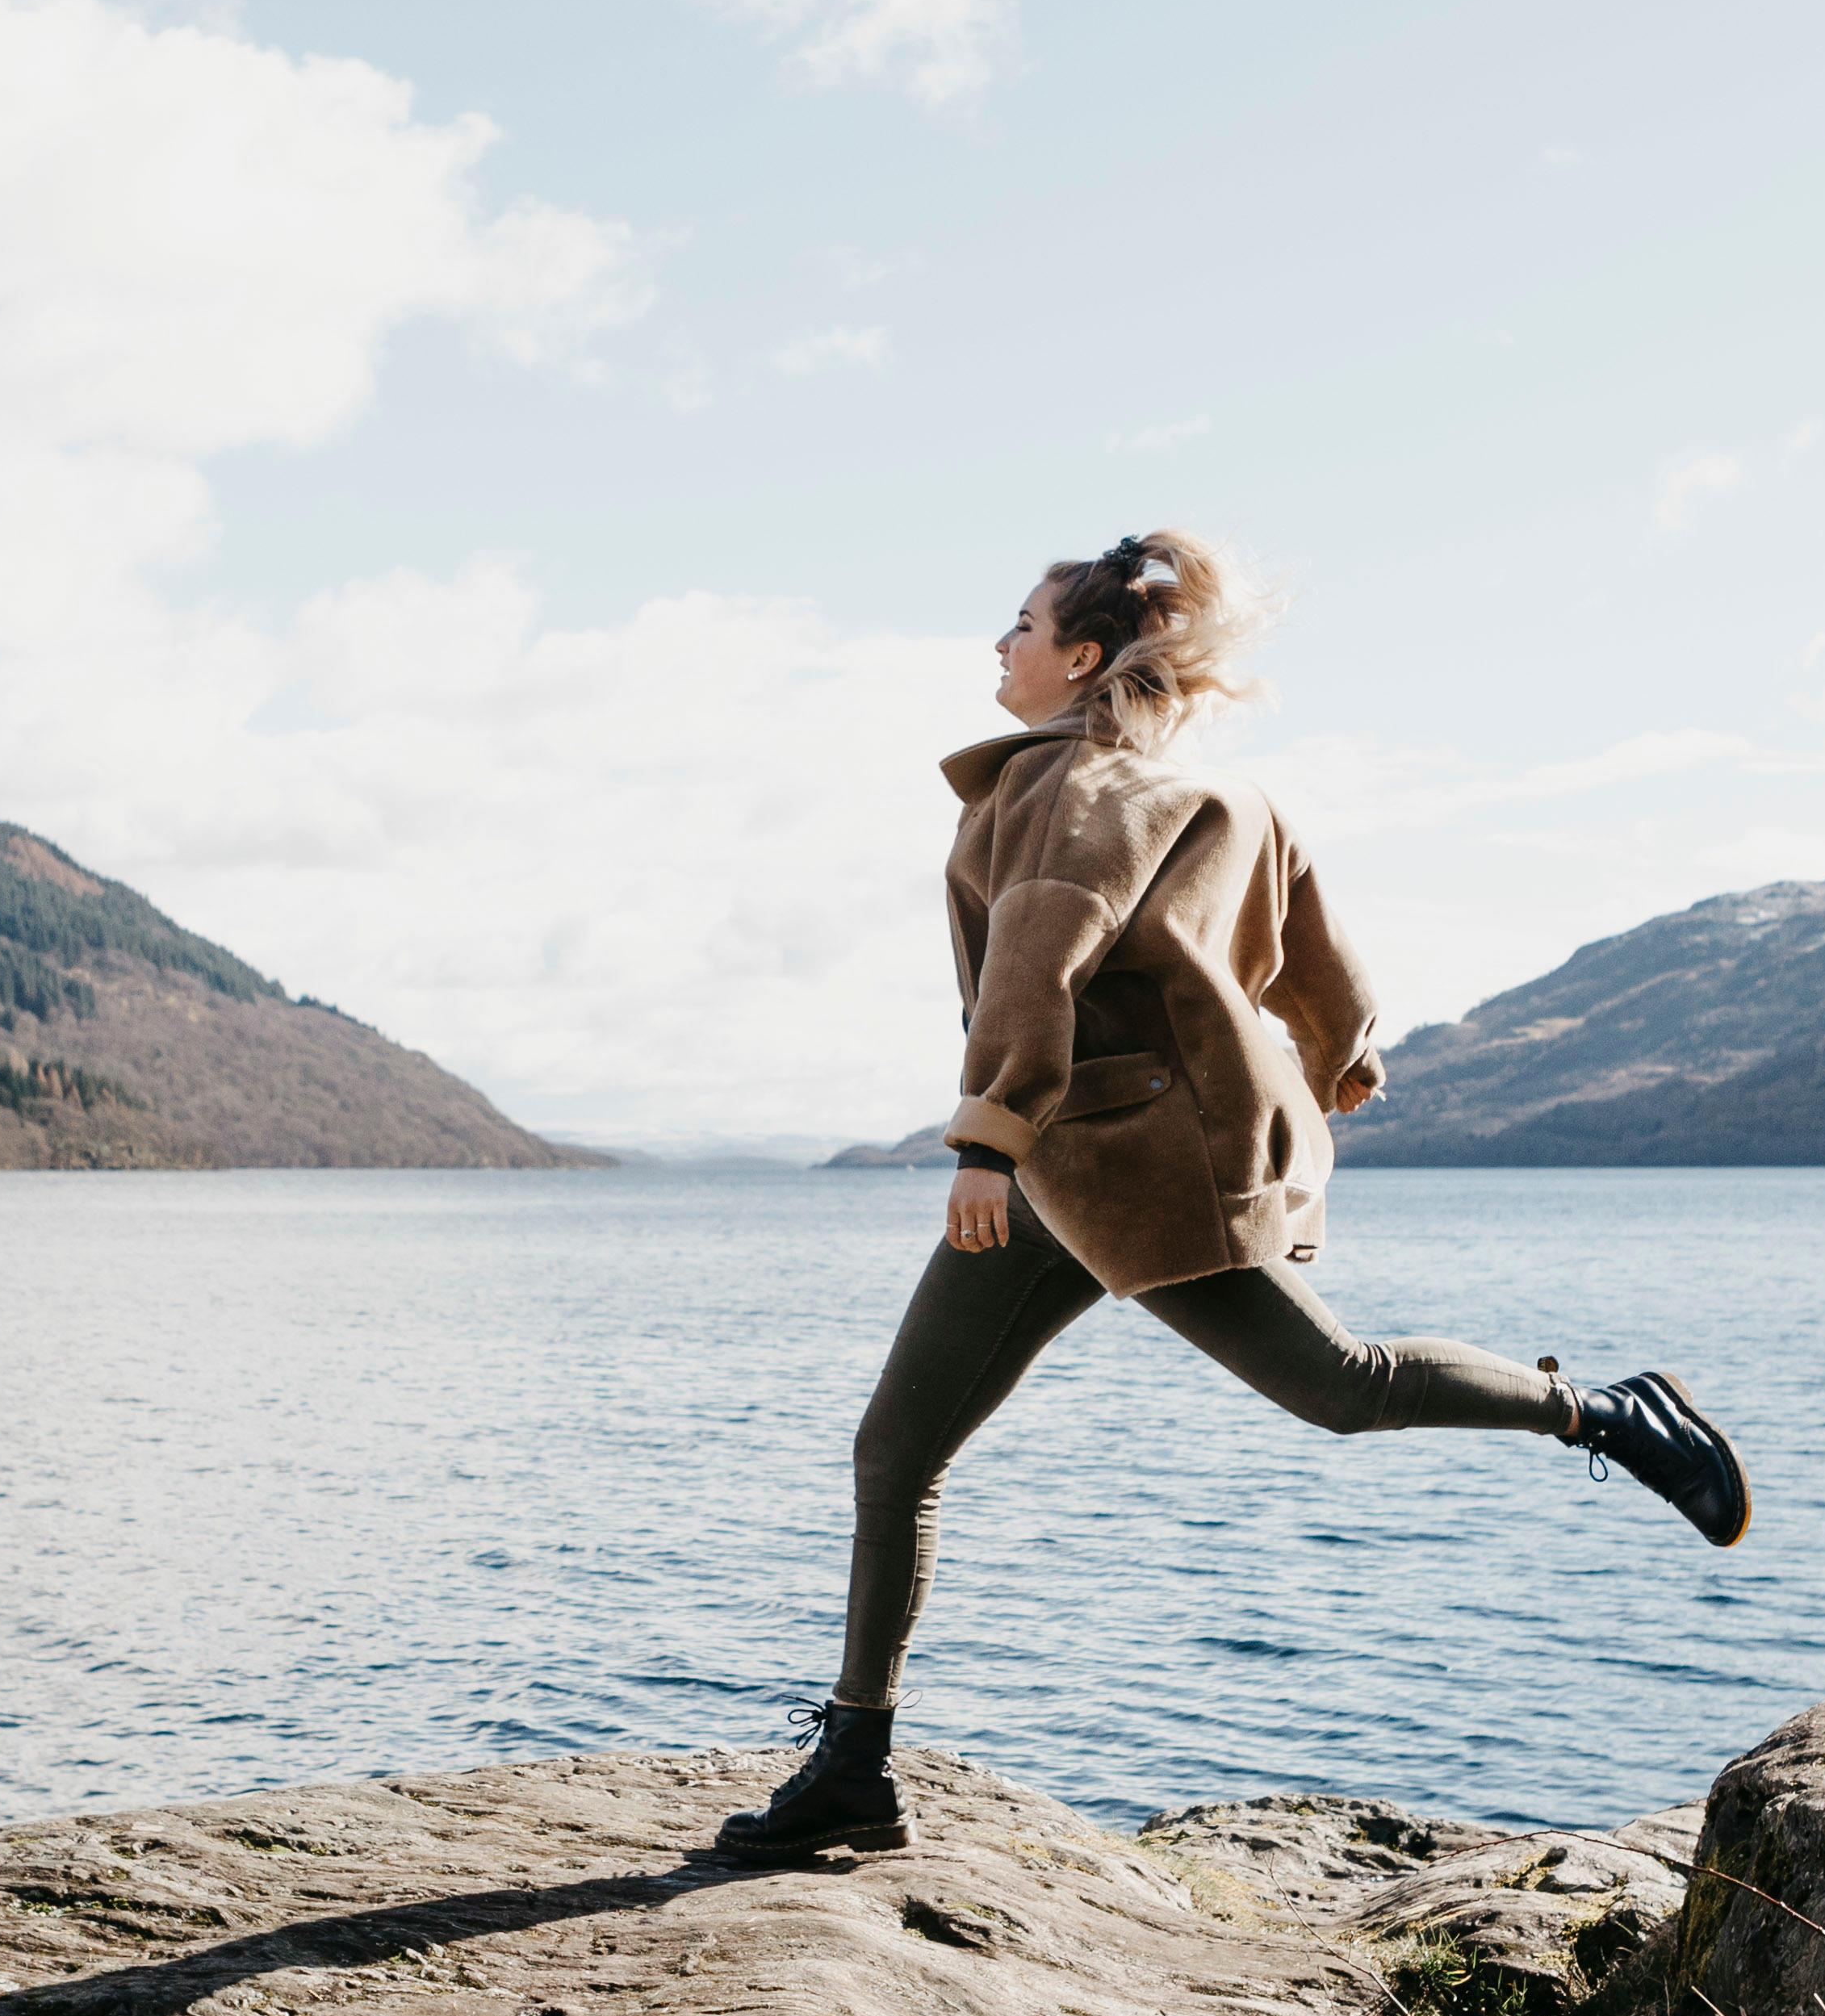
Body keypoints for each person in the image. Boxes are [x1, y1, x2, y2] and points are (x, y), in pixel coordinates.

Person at [708, 532, 1752, 1868]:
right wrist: (1341, 1042)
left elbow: (1043, 947)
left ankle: (1599, 1409)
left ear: (1082, 657)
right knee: (894, 1449)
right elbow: (1305, 920)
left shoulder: (1066, 786)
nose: (999, 645)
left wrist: (982, 1137)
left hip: (1123, 1165)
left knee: (1337, 1383)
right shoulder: (1202, 791)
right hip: (1064, 1167)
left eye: (1017, 625)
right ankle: (853, 1762)